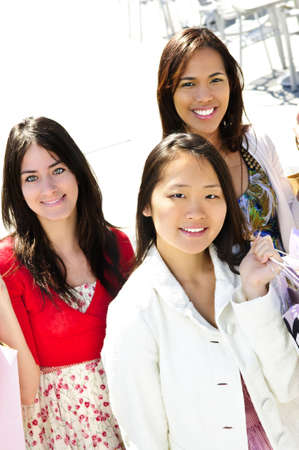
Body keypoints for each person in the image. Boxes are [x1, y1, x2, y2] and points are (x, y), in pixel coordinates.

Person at [103, 133, 299, 450]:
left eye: (211, 196)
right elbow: (144, 437)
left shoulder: (244, 272)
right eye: (178, 195)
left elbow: (290, 386)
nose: (196, 211)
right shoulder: (134, 312)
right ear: (146, 205)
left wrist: (254, 295)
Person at [0, 117, 134, 449]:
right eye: (31, 178)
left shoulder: (116, 245)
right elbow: (26, 390)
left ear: (76, 170)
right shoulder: (7, 266)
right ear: (17, 190)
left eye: (58, 170)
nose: (48, 188)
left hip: (131, 417)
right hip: (59, 433)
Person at [156, 27, 298, 254]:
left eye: (215, 80)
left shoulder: (256, 142)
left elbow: (290, 212)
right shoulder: (167, 173)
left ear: (231, 84)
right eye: (189, 84)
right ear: (168, 93)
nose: (204, 96)